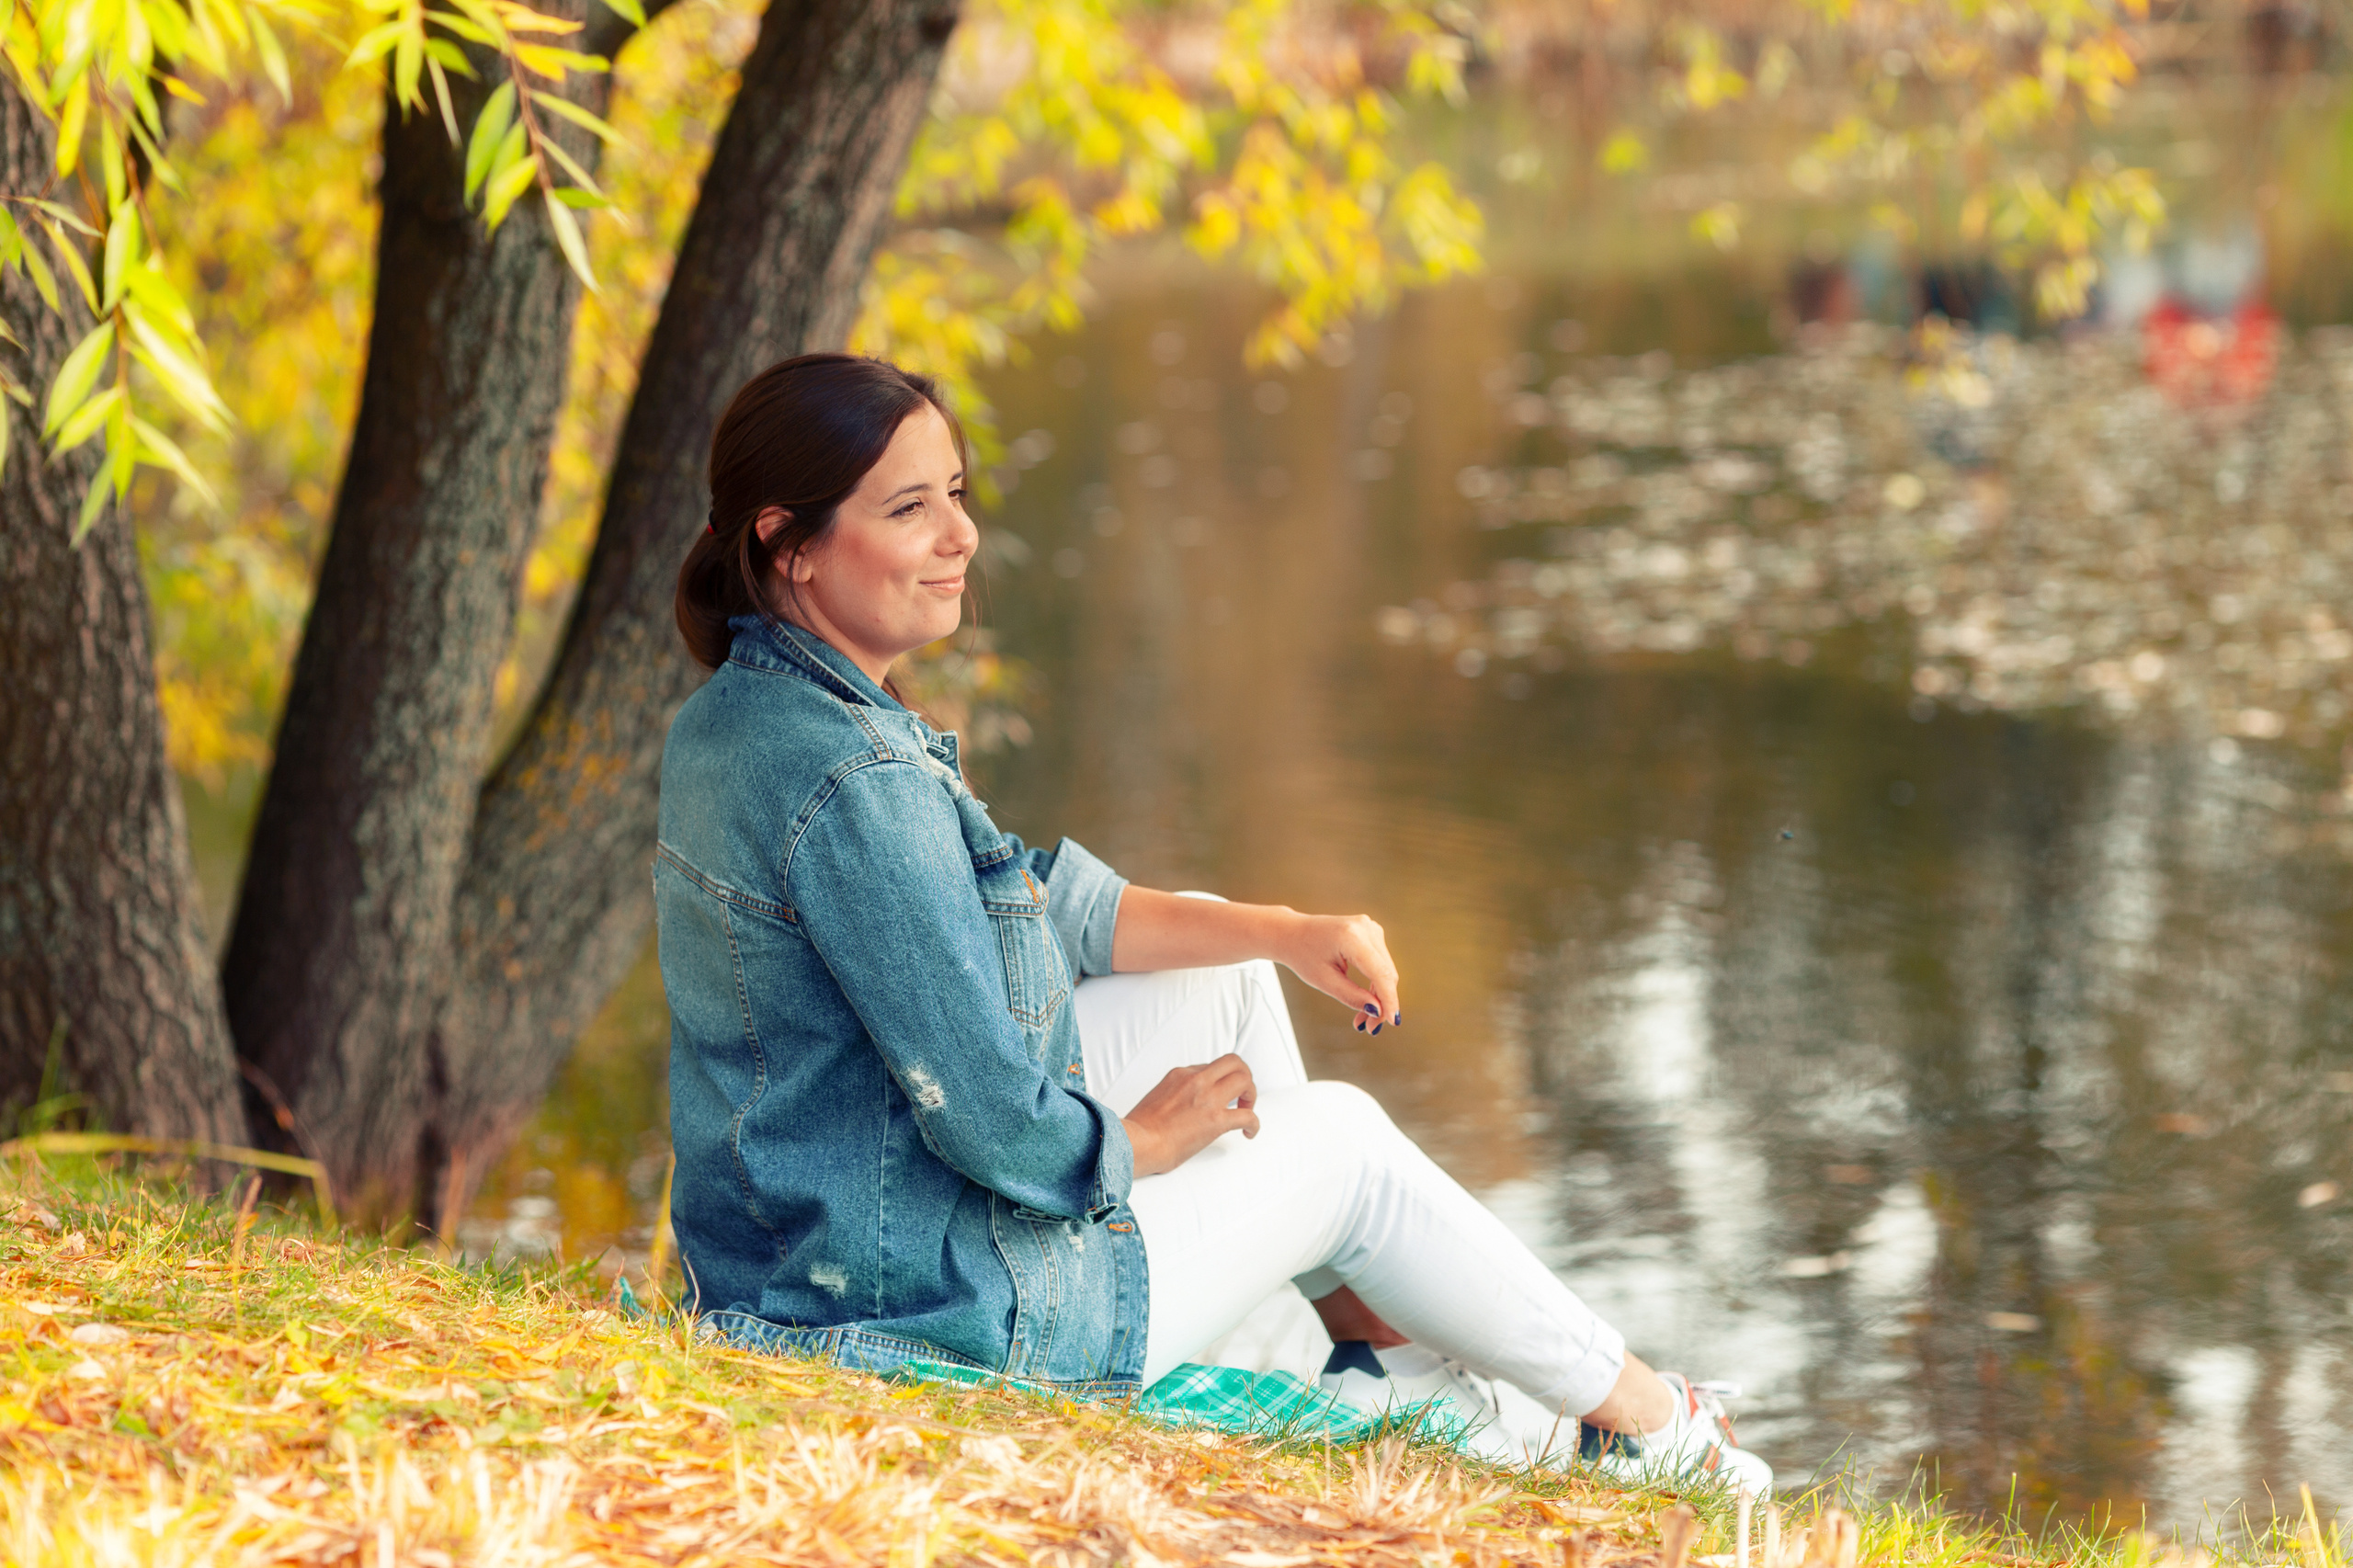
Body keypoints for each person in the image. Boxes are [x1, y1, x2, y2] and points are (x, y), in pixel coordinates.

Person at [655, 352, 1769, 1491]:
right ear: (787, 541)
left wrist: (1284, 928)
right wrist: (1140, 1142)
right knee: (1339, 1141)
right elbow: (992, 1115)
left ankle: (1375, 1358)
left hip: (825, 1239)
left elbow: (1025, 902)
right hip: (929, 1309)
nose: (960, 536)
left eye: (955, 492)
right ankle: (1647, 1421)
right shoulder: (851, 782)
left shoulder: (753, 712)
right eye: (908, 508)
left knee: (1229, 982)